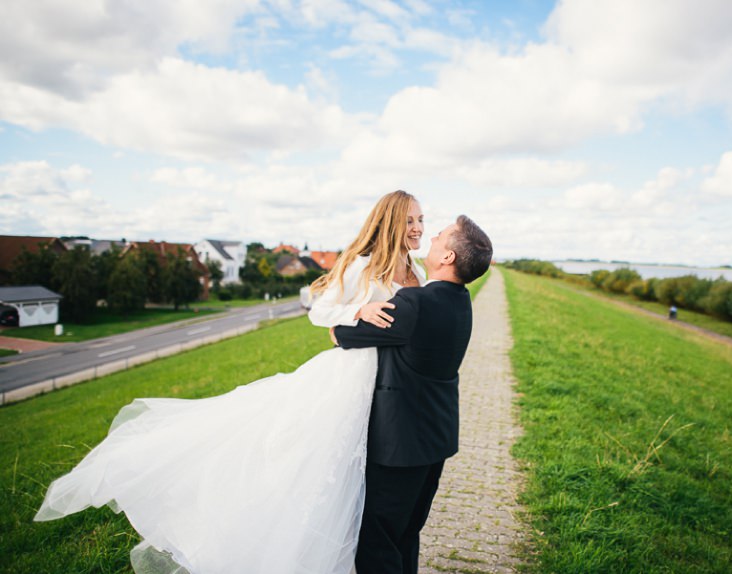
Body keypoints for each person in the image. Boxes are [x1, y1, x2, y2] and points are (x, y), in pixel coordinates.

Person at [34, 190, 427, 574]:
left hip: (398, 380)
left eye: (421, 219)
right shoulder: (363, 265)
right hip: (354, 378)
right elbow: (319, 311)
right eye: (410, 220)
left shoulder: (419, 271)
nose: (418, 227)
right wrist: (361, 308)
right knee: (324, 466)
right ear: (391, 221)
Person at [332, 215, 493, 574]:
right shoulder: (460, 301)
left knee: (378, 543)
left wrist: (357, 307)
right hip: (435, 440)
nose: (432, 235)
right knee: (406, 534)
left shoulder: (413, 303)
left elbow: (340, 334)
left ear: (448, 257)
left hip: (399, 447)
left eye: (442, 235)